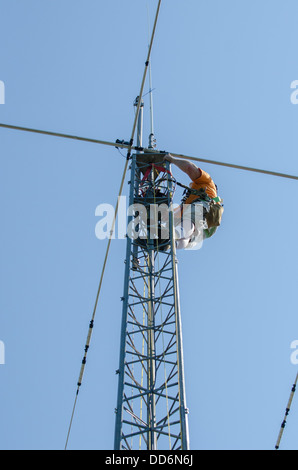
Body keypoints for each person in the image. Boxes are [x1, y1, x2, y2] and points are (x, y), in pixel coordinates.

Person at [163, 154, 223, 250]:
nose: (191, 186)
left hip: (203, 209)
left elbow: (189, 168)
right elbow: (171, 217)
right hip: (208, 227)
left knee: (188, 223)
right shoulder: (187, 203)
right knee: (186, 237)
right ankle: (173, 244)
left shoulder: (207, 182)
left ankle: (174, 238)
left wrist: (172, 160)